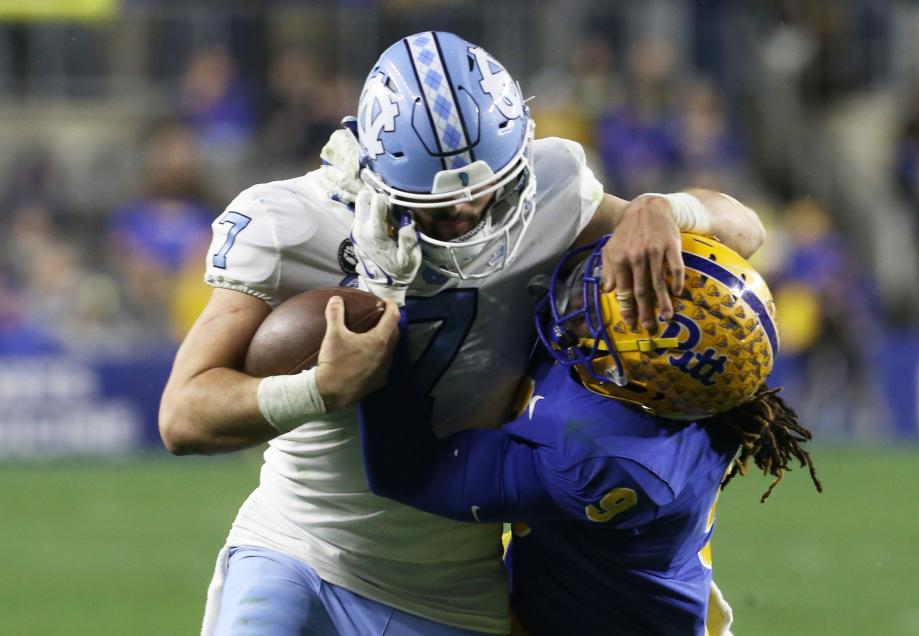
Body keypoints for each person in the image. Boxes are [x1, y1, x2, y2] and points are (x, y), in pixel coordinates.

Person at [158, 32, 766, 635]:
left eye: (487, 193)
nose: (468, 216)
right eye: (438, 206)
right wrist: (318, 390)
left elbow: (745, 234)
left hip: (453, 588)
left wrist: (660, 207)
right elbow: (183, 417)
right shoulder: (289, 222)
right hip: (296, 542)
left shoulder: (554, 188)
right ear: (370, 171)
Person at [360, 234, 822, 635]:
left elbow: (409, 473)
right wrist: (657, 207)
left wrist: (384, 326)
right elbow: (741, 224)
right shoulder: (687, 384)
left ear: (642, 377)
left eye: (612, 308)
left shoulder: (613, 461)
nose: (585, 290)